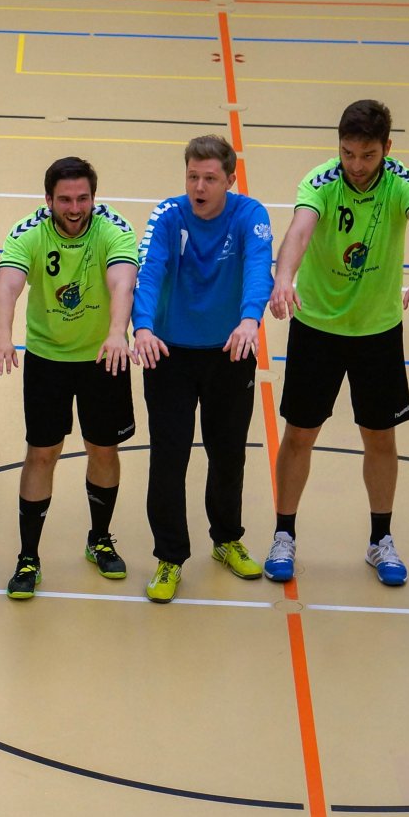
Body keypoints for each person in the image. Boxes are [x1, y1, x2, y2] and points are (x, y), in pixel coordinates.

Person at [266, 99, 409, 586]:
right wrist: (284, 278)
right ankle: (283, 534)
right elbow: (299, 233)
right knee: (299, 434)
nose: (357, 165)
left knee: (380, 437)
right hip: (317, 328)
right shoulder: (320, 181)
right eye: (348, 153)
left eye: (368, 155)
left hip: (377, 332)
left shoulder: (405, 182)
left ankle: (380, 540)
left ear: (387, 148)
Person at [0, 157, 139, 601]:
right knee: (42, 453)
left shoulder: (113, 228)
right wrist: (2, 337)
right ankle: (28, 557)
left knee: (103, 449)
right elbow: (6, 287)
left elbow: (123, 283)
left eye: (83, 198)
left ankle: (100, 539)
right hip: (47, 357)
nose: (75, 208)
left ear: (94, 196)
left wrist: (117, 333)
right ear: (48, 199)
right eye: (65, 200)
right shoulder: (28, 232)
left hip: (102, 356)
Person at [131, 136, 274, 603]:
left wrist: (250, 319)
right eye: (192, 176)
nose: (199, 187)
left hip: (230, 350)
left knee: (228, 452)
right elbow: (149, 270)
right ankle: (169, 556)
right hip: (168, 352)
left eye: (210, 178)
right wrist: (142, 327)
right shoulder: (167, 215)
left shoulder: (250, 215)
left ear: (230, 180)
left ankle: (226, 538)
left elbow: (259, 268)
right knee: (169, 457)